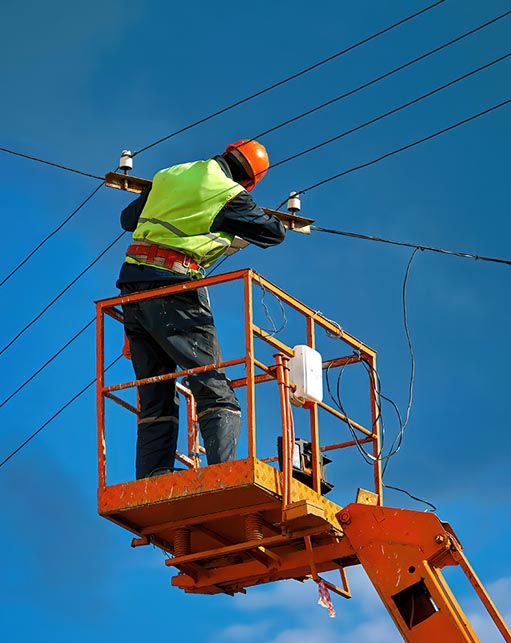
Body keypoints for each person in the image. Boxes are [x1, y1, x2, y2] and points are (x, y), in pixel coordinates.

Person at [117, 140, 286, 479]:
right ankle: (223, 476)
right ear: (248, 182)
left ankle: (153, 477)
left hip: (132, 289)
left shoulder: (170, 174)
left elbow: (127, 219)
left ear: (226, 152)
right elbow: (274, 233)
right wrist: (229, 228)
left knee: (156, 391)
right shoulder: (226, 192)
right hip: (173, 289)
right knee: (215, 388)